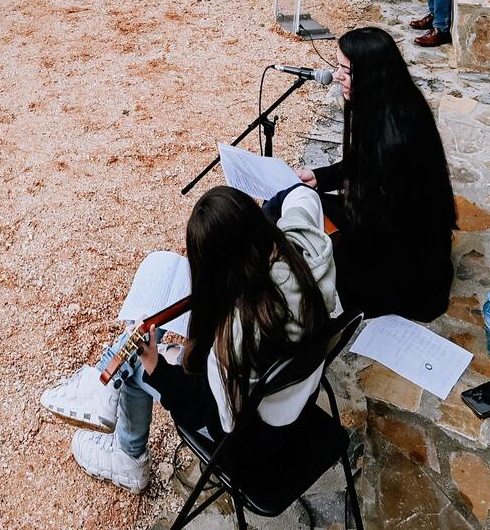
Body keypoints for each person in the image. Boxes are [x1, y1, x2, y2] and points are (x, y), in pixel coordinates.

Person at [43, 185, 339, 493]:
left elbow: (213, 418)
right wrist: (258, 220)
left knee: (137, 363)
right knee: (147, 334)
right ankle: (104, 384)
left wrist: (159, 369)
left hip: (254, 442)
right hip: (298, 396)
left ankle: (127, 455)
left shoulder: (231, 345)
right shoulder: (305, 248)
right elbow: (301, 193)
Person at [299, 27, 458, 319]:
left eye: (345, 70)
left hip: (399, 262)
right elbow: (362, 164)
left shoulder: (398, 136)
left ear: (370, 73)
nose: (336, 77)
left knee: (302, 219)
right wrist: (321, 177)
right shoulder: (386, 104)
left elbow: (383, 225)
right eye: (337, 67)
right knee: (300, 200)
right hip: (378, 228)